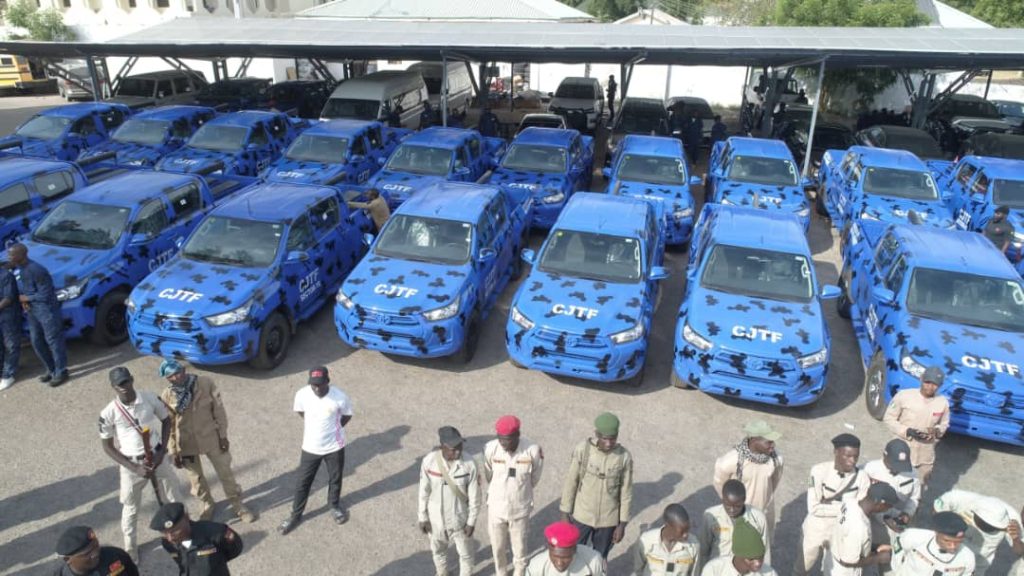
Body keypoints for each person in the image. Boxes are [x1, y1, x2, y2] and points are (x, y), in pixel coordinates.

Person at [157, 359, 255, 524]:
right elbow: (170, 425)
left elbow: (219, 410)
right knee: (196, 480)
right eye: (171, 376)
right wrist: (173, 451)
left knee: (226, 473)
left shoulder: (204, 383)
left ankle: (237, 505)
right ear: (167, 379)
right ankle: (207, 505)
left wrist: (223, 436)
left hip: (211, 438)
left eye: (178, 372)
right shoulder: (167, 396)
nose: (176, 377)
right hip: (187, 444)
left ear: (184, 370)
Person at [99, 366, 181, 562]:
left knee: (174, 494)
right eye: (120, 384)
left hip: (156, 457)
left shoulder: (149, 397)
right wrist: (134, 468)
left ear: (132, 379)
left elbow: (167, 421)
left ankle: (182, 529)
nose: (124, 387)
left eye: (126, 381)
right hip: (131, 465)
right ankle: (130, 546)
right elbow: (107, 447)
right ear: (113, 387)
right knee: (130, 507)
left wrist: (162, 452)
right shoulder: (108, 413)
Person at [278, 366, 354, 535]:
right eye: (314, 385)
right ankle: (295, 516)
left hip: (335, 446)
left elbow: (347, 415)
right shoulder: (302, 395)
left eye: (320, 385)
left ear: (328, 381)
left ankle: (334, 506)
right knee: (303, 483)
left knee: (335, 478)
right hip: (311, 447)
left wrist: (335, 429)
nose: (317, 388)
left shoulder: (339, 397)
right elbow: (300, 411)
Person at [793, 433, 871, 576]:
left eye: (856, 456)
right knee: (803, 566)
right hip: (816, 527)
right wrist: (847, 508)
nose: (852, 461)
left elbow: (860, 511)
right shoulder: (818, 471)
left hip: (840, 529)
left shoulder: (862, 477)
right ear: (836, 452)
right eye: (847, 456)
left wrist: (839, 508)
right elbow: (814, 508)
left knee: (832, 569)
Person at [560, 412, 634, 559]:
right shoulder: (583, 450)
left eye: (612, 439)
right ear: (597, 434)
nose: (608, 443)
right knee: (575, 555)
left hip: (608, 519)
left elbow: (626, 493)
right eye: (605, 438)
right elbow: (571, 482)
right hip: (582, 515)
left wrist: (622, 524)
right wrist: (564, 513)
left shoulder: (624, 457)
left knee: (600, 558)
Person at [483, 415, 544, 576]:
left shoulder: (532, 450)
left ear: (518, 435)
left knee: (520, 549)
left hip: (520, 509)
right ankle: (501, 572)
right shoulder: (491, 448)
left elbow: (535, 478)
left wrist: (519, 490)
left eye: (509, 440)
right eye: (501, 439)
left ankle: (519, 573)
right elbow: (488, 474)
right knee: (497, 548)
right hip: (496, 509)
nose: (504, 444)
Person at [418, 426, 481, 576]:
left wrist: (471, 522)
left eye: (460, 446)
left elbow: (475, 496)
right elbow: (423, 491)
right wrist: (422, 517)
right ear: (442, 447)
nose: (458, 451)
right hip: (436, 521)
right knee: (438, 552)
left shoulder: (469, 464)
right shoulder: (429, 462)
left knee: (466, 555)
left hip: (460, 521)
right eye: (453, 449)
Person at [7, 243, 67, 386]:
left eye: (12, 255)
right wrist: (25, 300)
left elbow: (46, 294)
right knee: (36, 341)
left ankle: (61, 371)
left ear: (22, 255)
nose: (9, 257)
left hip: (46, 310)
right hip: (32, 311)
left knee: (53, 341)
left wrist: (26, 298)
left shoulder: (37, 270)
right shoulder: (19, 269)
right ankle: (50, 369)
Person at [713, 421, 784, 540]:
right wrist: (733, 504)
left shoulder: (776, 459)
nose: (773, 445)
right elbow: (719, 483)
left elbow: (775, 481)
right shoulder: (731, 461)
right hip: (740, 514)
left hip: (765, 512)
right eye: (769, 442)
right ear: (754, 440)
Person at [883, 365, 950, 487]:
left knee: (920, 487)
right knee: (894, 484)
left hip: (925, 455)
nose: (930, 387)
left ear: (940, 386)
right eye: (927, 382)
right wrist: (907, 431)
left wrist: (936, 431)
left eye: (935, 384)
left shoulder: (943, 403)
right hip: (902, 449)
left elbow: (944, 423)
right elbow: (888, 418)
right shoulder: (904, 396)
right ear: (921, 379)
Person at [932, 489, 1023, 575]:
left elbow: (1019, 551)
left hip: (979, 560)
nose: (989, 528)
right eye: (986, 524)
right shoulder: (957, 498)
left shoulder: (1013, 521)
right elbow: (937, 510)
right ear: (976, 513)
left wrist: (1016, 539)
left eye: (994, 528)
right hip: (949, 548)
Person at [151, 502, 243, 576]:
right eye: (165, 533)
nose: (170, 538)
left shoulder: (215, 533)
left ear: (187, 518)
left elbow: (235, 549)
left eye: (174, 531)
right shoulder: (167, 543)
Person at [825, 483, 899, 575]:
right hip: (844, 571)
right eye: (887, 507)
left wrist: (875, 548)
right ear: (880, 504)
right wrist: (878, 558)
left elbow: (849, 538)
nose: (886, 510)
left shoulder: (850, 502)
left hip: (833, 556)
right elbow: (847, 561)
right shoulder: (859, 527)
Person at [699, 479, 770, 566]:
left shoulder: (758, 519)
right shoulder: (710, 516)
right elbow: (703, 550)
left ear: (744, 500)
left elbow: (765, 552)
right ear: (723, 499)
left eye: (737, 506)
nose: (732, 510)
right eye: (728, 505)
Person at [864, 439, 920, 546]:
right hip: (872, 524)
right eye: (894, 464)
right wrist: (884, 518)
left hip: (897, 524)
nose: (898, 469)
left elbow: (914, 498)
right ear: (885, 456)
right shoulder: (869, 469)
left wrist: (907, 513)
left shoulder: (912, 474)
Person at [891, 511, 975, 576]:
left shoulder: (967, 558)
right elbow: (898, 548)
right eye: (947, 540)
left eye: (958, 542)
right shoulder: (913, 537)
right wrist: (898, 570)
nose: (952, 546)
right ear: (936, 532)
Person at [633, 504, 700, 576]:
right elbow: (638, 569)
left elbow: (694, 573)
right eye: (682, 531)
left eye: (687, 530)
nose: (686, 535)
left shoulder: (693, 546)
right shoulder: (647, 541)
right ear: (668, 526)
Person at [525, 521, 606, 575]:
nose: (559, 563)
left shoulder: (593, 561)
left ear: (575, 549)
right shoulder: (536, 567)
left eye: (566, 557)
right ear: (549, 549)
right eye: (555, 556)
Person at [52, 525, 138, 576]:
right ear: (67, 559)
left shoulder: (115, 556)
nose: (95, 553)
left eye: (96, 546)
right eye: (87, 553)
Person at [700, 519, 776, 575]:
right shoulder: (714, 570)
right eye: (751, 559)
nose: (758, 563)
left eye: (761, 557)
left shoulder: (769, 574)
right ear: (738, 553)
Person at [0, 263, 20, 391]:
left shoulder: (6, 276)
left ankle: (8, 375)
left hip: (7, 316)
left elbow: (8, 298)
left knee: (11, 344)